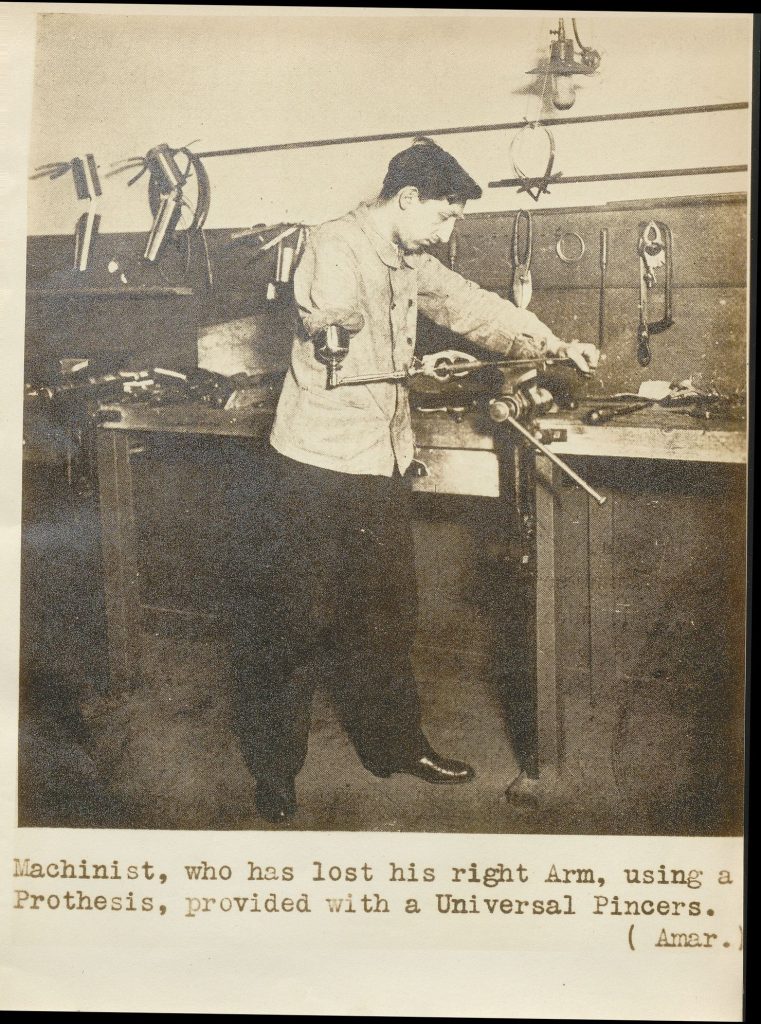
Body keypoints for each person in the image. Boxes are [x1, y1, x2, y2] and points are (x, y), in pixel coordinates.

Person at [232, 137, 599, 824]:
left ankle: (393, 746)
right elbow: (329, 322)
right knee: (294, 623)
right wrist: (346, 331)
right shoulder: (331, 244)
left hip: (379, 462)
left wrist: (551, 345)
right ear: (406, 200)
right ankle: (275, 771)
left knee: (384, 616)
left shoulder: (408, 256)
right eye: (443, 216)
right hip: (313, 463)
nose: (446, 230)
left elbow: (471, 306)